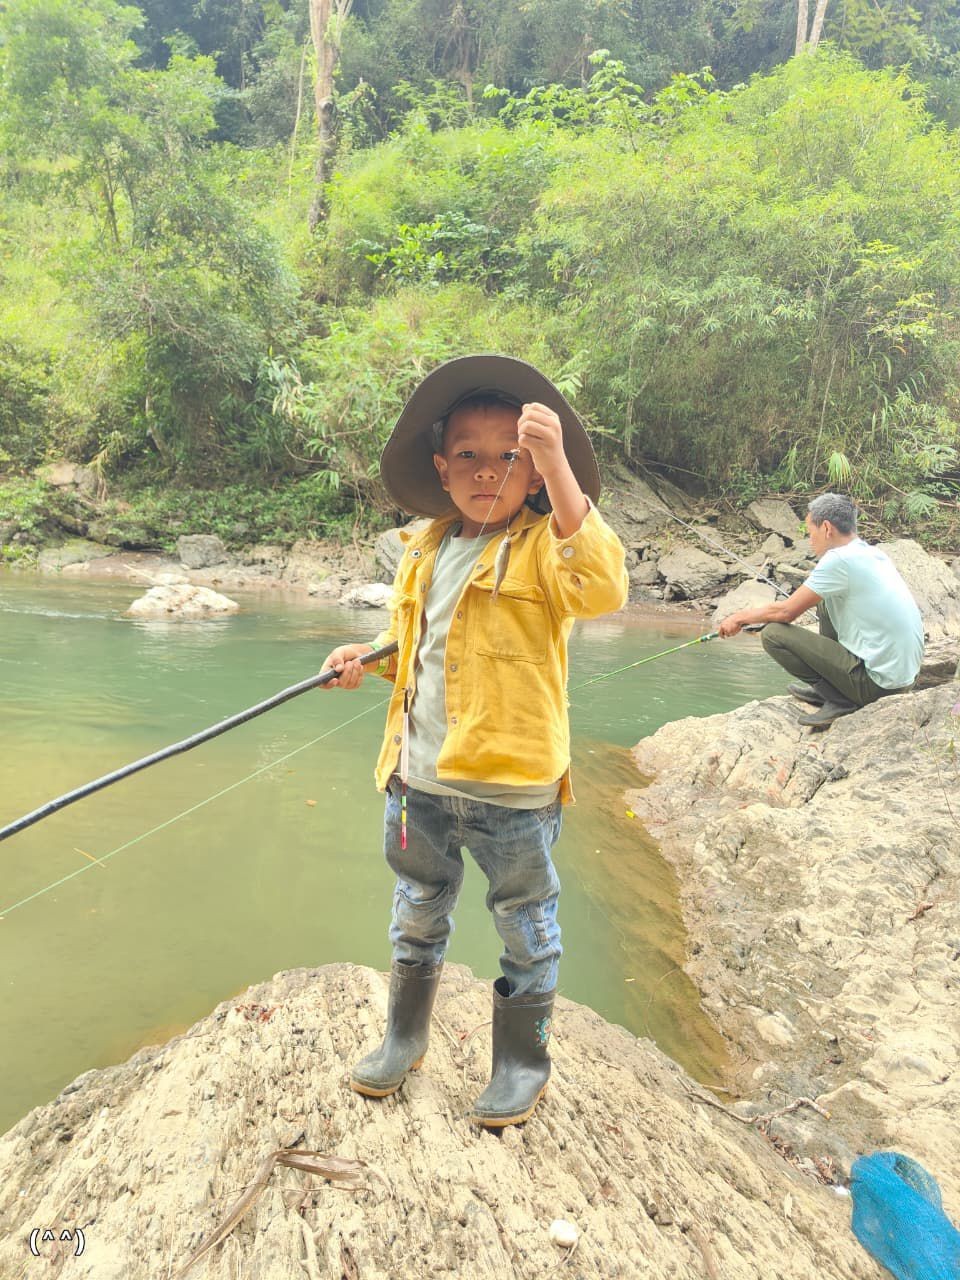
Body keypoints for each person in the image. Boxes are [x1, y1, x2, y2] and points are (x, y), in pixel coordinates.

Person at [319, 354, 628, 1127]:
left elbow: (602, 587)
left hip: (513, 795)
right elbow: (415, 651)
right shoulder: (424, 548)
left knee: (526, 926)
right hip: (416, 783)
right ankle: (403, 1036)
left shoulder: (544, 546)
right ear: (441, 468)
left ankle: (523, 1062)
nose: (488, 470)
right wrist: (363, 660)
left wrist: (559, 466)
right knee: (417, 910)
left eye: (509, 457)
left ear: (533, 473)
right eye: (468, 454)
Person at [718, 493, 923, 727]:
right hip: (903, 680)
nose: (810, 540)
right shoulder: (870, 552)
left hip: (878, 687)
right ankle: (833, 687)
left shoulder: (839, 559)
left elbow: (786, 613)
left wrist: (739, 617)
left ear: (826, 528)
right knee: (825, 602)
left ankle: (840, 700)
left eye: (810, 532)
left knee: (773, 634)